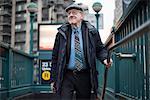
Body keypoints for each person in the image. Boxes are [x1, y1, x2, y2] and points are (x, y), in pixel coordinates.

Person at [51, 3, 113, 100]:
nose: (71, 15)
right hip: (67, 75)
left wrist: (105, 59)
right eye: (69, 13)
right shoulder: (61, 34)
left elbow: (100, 49)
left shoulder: (92, 32)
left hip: (85, 75)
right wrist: (53, 79)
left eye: (74, 13)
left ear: (82, 16)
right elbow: (55, 57)